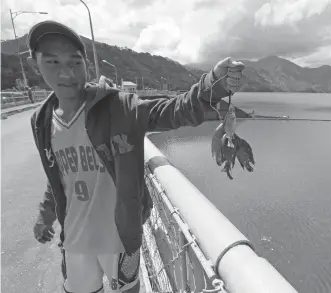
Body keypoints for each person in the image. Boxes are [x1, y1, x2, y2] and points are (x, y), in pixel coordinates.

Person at [27, 20, 245, 293]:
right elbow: (57, 175)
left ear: (87, 64)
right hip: (74, 239)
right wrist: (45, 216)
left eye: (75, 62)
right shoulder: (42, 120)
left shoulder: (120, 108)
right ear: (35, 65)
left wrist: (213, 83)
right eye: (53, 62)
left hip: (119, 240)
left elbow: (174, 110)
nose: (67, 72)